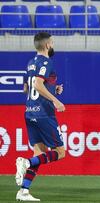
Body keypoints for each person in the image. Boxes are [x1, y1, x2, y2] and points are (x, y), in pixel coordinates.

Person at [15, 32, 66, 201]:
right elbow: (37, 84)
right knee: (60, 152)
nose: (52, 44)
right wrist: (56, 100)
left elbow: (26, 88)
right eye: (52, 41)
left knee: (39, 152)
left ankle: (24, 191)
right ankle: (26, 163)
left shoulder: (30, 63)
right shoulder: (46, 62)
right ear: (47, 45)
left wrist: (53, 88)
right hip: (44, 114)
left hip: (30, 112)